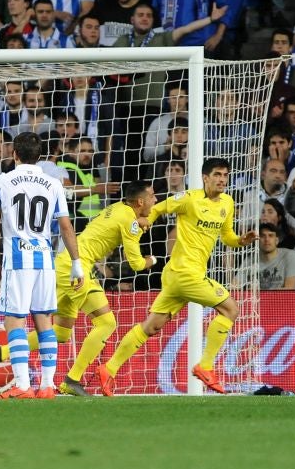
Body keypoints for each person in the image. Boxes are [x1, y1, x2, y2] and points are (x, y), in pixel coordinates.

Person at [0, 180, 158, 397]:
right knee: (106, 322)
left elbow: (137, 218)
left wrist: (140, 220)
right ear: (140, 201)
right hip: (78, 269)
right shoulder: (130, 221)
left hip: (64, 264)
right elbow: (136, 264)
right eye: (152, 196)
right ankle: (72, 379)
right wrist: (155, 259)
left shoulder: (118, 209)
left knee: (61, 332)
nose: (155, 200)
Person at [99, 158, 258, 396]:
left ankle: (108, 369)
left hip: (179, 277)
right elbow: (158, 208)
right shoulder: (189, 199)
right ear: (205, 178)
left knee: (151, 327)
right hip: (185, 273)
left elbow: (226, 236)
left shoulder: (227, 202)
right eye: (217, 174)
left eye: (225, 175)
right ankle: (205, 366)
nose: (222, 179)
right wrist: (144, 221)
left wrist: (239, 241)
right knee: (231, 310)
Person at [0, 132, 83, 400]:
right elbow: (65, 226)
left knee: (14, 320)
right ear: (39, 156)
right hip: (45, 258)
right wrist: (76, 263)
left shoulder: (2, 181)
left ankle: (23, 385)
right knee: (43, 320)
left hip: (17, 257)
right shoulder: (53, 183)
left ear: (14, 153)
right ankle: (48, 386)